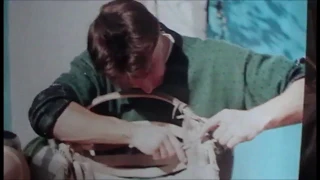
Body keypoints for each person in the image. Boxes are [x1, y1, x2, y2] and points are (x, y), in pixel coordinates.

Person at [26, 0, 305, 179]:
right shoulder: (98, 65)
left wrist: (256, 118)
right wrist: (134, 132)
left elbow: (308, 85)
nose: (146, 87)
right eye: (128, 82)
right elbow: (47, 111)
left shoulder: (219, 63)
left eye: (149, 70)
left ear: (159, 34)